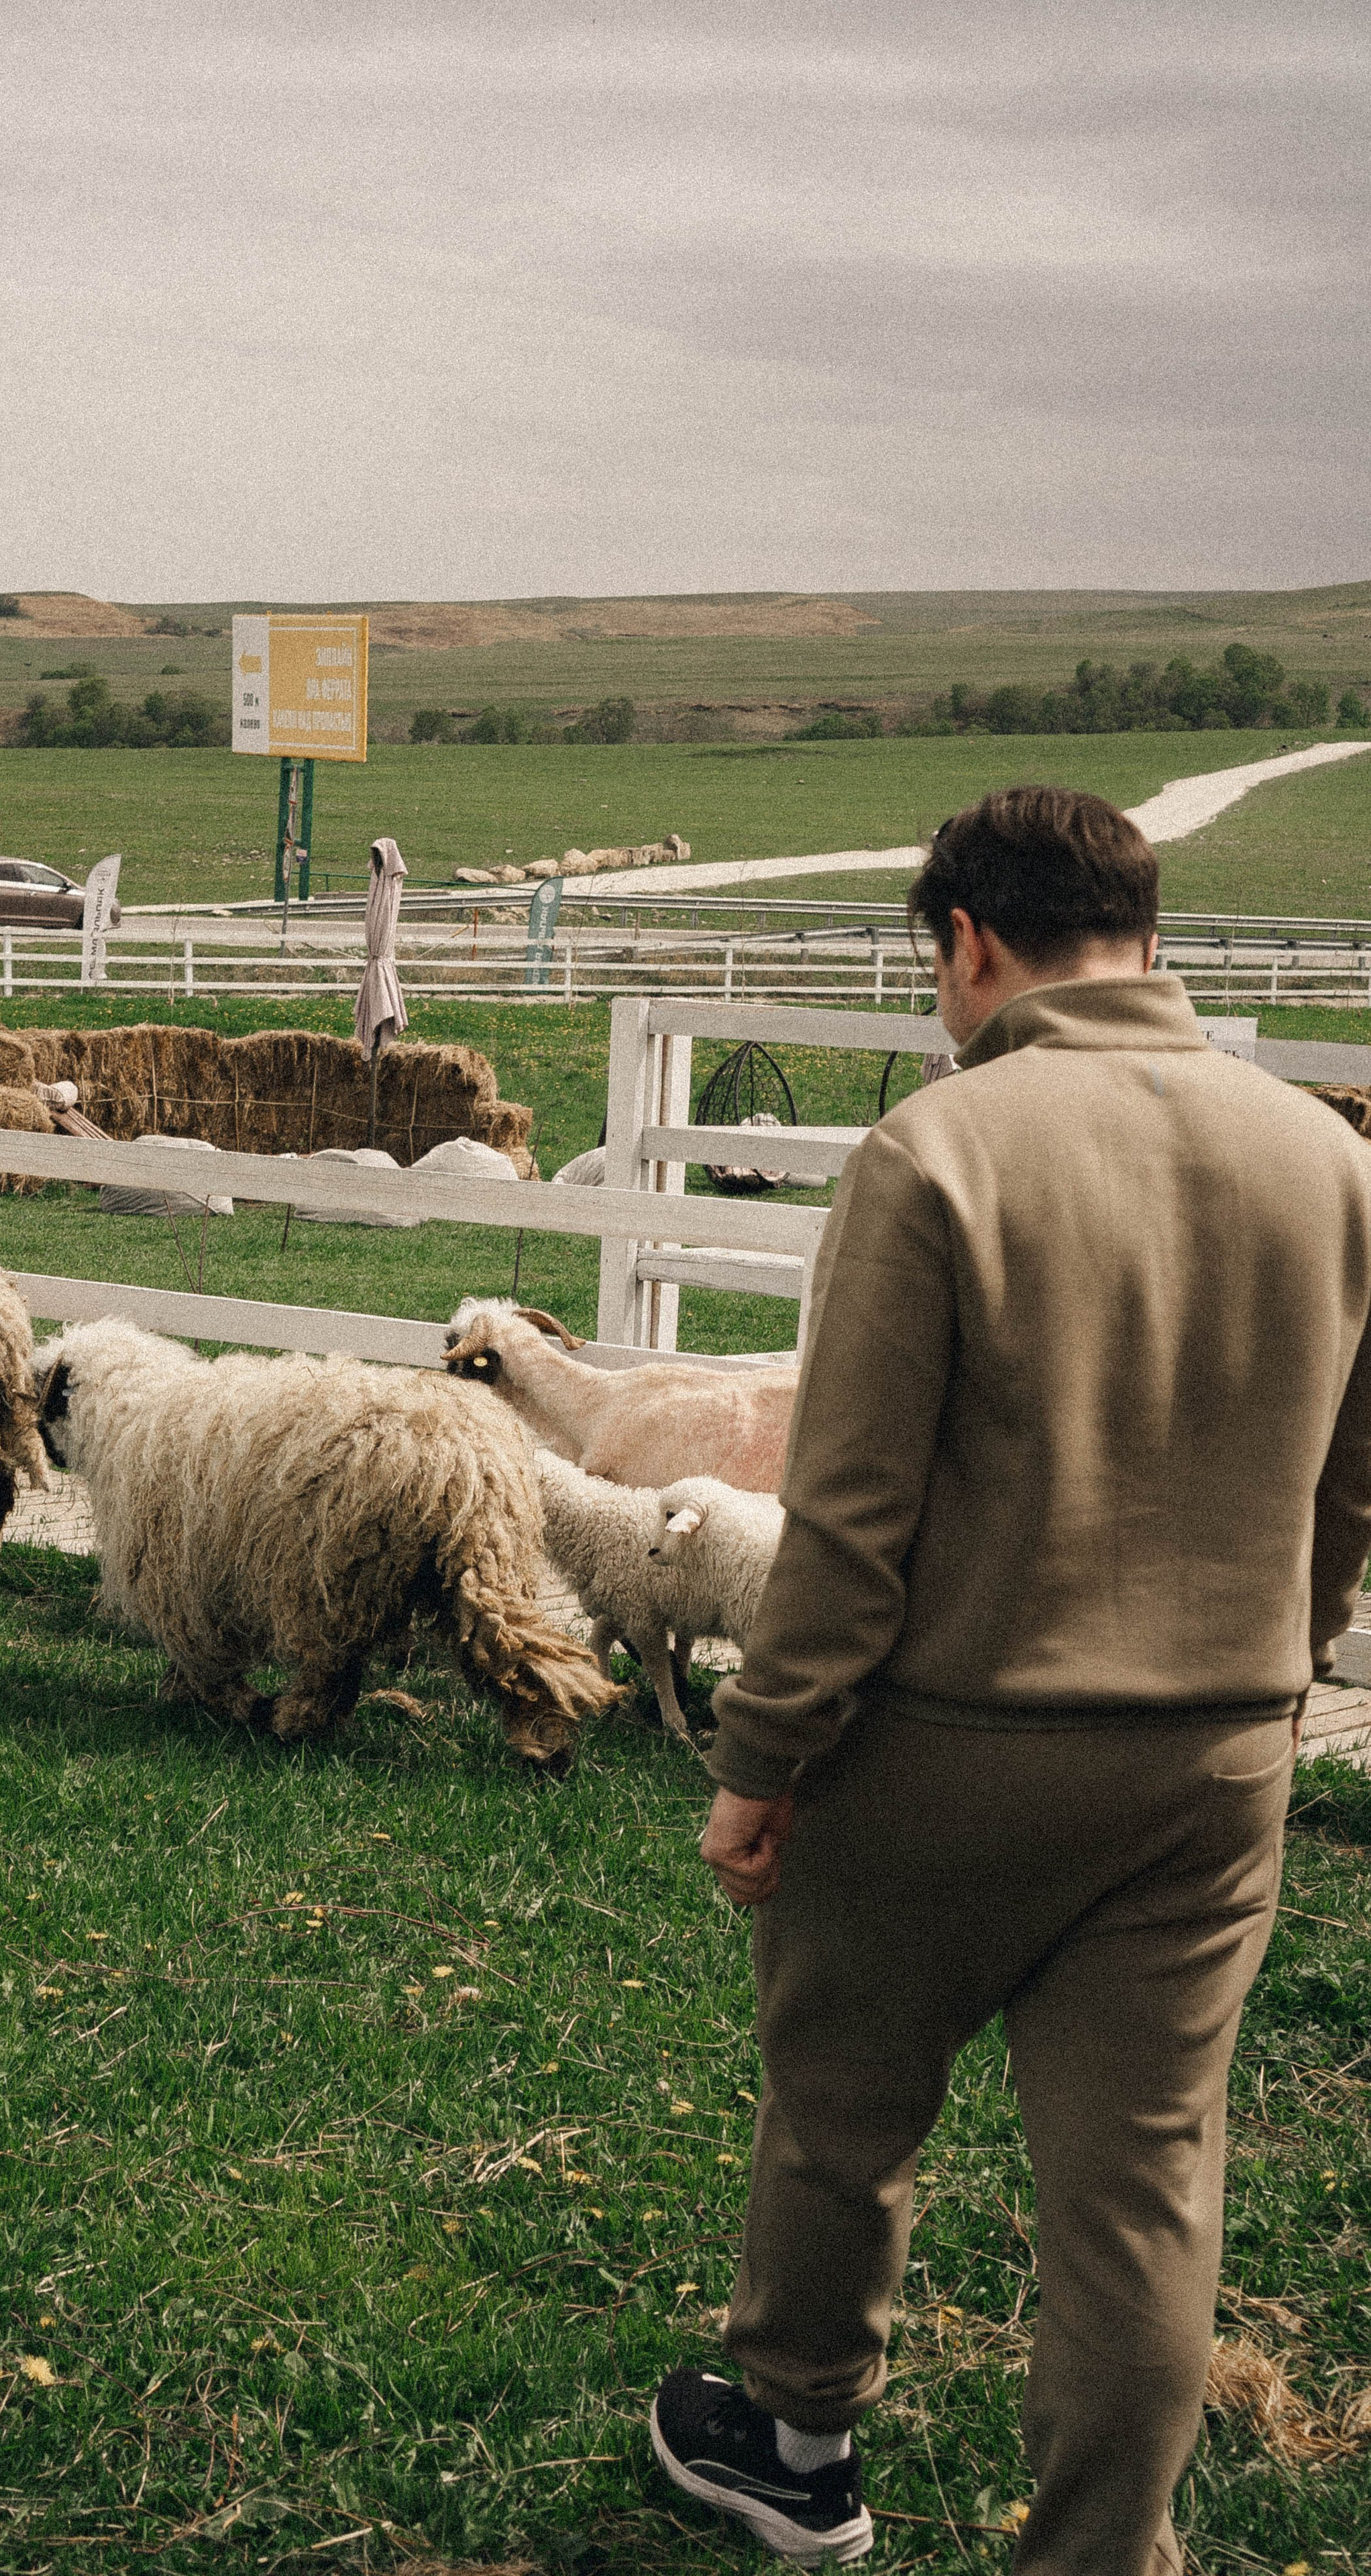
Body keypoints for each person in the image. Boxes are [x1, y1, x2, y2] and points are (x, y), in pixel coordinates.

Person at [649, 785, 1371, 2573]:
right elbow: (1348, 1490)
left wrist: (763, 1753)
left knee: (844, 2106)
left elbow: (850, 1517)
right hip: (1213, 1761)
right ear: (1145, 932)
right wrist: (1280, 1669)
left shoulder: (937, 1153)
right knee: (1144, 2189)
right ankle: (1102, 2553)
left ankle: (796, 2446)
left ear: (969, 942)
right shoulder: (1330, 1162)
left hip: (947, 1744)